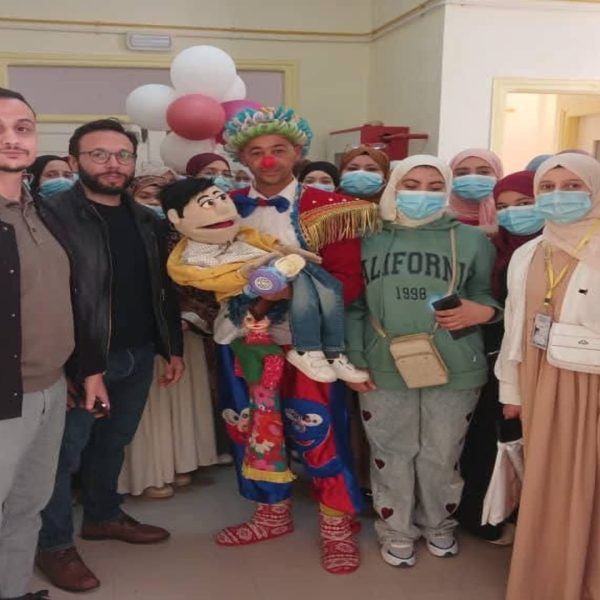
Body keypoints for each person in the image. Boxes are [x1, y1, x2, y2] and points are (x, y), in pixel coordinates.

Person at [212, 105, 375, 574]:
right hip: (243, 336)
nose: (268, 160)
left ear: (298, 152)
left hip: (308, 342)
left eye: (278, 149)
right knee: (252, 428)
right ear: (242, 157)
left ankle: (336, 524)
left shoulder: (332, 207)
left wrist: (294, 294)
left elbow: (349, 281)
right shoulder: (222, 205)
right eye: (256, 152)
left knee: (318, 429)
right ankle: (271, 512)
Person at [35, 119, 184, 594]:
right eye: (98, 155)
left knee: (113, 443)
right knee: (62, 457)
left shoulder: (147, 219)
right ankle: (54, 544)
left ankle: (102, 516)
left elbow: (161, 289)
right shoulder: (49, 217)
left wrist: (171, 346)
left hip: (136, 354)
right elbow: (47, 299)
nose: (113, 164)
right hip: (81, 360)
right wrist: (73, 367)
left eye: (122, 155)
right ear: (74, 161)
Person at [345, 155, 500, 568]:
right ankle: (396, 530)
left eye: (435, 187)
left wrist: (484, 311)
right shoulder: (367, 238)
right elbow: (354, 306)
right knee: (391, 450)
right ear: (393, 186)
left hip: (455, 363)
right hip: (382, 361)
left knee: (442, 452)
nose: (422, 195)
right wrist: (355, 360)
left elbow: (486, 295)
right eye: (411, 185)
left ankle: (439, 523)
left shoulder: (471, 241)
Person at [0, 87, 107, 600]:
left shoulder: (45, 210)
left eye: (22, 128)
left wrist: (88, 369)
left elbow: (73, 296)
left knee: (28, 504)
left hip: (50, 389)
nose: (11, 139)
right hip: (5, 394)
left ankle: (13, 589)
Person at [496, 153, 600, 600]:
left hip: (590, 381)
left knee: (589, 480)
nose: (559, 197)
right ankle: (549, 578)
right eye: (549, 188)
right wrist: (511, 390)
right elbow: (514, 327)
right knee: (549, 480)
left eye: (573, 186)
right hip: (539, 378)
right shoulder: (528, 253)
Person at [119, 168, 218, 500]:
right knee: (148, 408)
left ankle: (179, 463)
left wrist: (189, 318)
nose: (153, 204)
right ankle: (148, 473)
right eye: (145, 197)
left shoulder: (187, 236)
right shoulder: (124, 235)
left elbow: (206, 286)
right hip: (142, 336)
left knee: (180, 404)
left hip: (186, 333)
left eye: (160, 199)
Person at [457, 170, 543, 542]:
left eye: (525, 204)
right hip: (495, 357)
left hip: (547, 362)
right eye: (504, 207)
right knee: (492, 439)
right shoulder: (496, 248)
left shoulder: (566, 249)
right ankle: (486, 515)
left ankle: (534, 522)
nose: (514, 214)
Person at [449, 148, 503, 234]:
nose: (472, 178)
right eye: (462, 173)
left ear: (498, 175)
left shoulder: (509, 215)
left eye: (483, 172)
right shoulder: (438, 217)